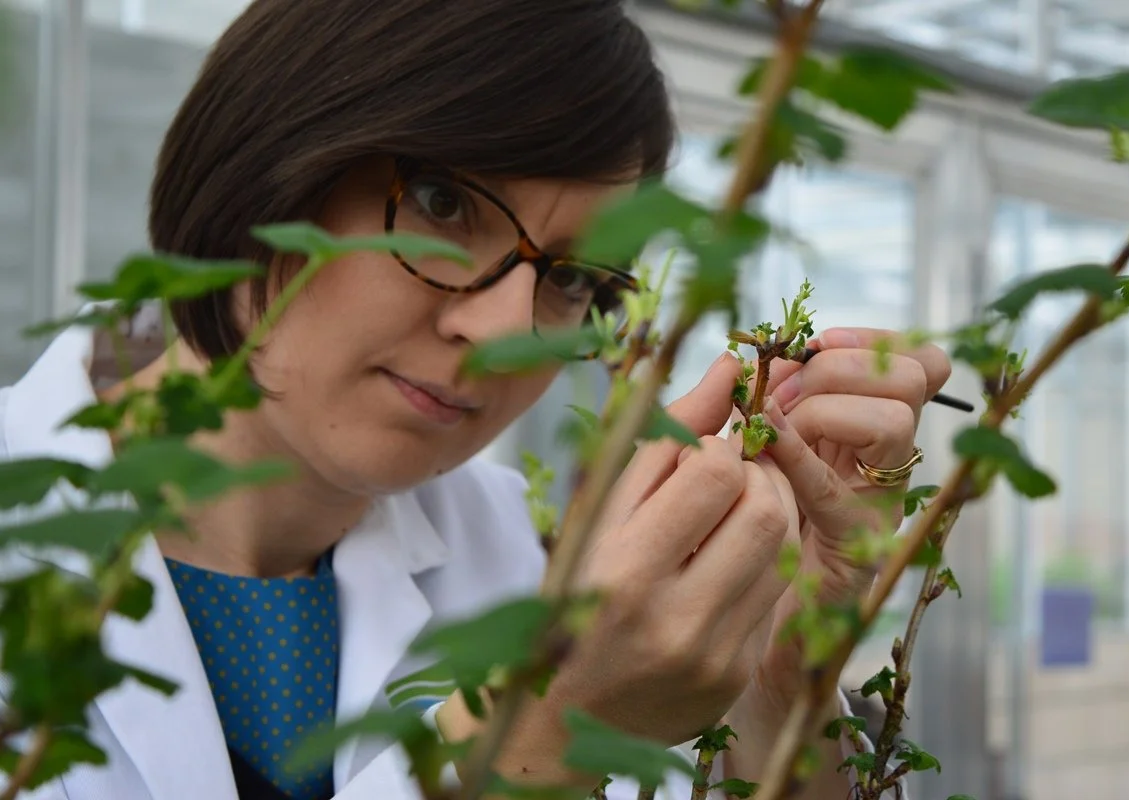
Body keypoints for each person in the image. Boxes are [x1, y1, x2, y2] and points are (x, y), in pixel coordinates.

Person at [0, 1, 950, 798]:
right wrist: (543, 731)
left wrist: (778, 676)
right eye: (443, 204)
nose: (507, 330)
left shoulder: (533, 558)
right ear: (268, 157)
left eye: (573, 278)